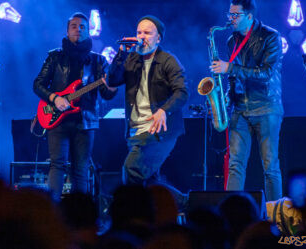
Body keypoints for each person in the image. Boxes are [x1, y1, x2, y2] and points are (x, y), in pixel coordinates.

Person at [107, 15, 189, 209]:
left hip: (160, 132)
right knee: (150, 184)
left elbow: (182, 91)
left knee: (131, 170)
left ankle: (132, 218)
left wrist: (163, 110)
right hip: (135, 131)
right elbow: (112, 80)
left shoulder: (168, 61)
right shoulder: (131, 59)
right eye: (139, 32)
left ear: (158, 38)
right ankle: (185, 203)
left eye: (147, 33)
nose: (141, 36)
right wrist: (121, 54)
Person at [33, 12, 117, 200]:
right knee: (57, 165)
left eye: (82, 27)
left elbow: (106, 94)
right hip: (57, 121)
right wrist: (54, 98)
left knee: (80, 169)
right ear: (67, 30)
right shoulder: (54, 57)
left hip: (85, 122)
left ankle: (80, 217)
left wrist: (111, 86)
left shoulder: (98, 61)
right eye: (74, 26)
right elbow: (37, 85)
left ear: (88, 31)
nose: (78, 29)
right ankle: (52, 213)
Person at [210, 0, 283, 201]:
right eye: (229, 14)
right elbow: (234, 76)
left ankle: (276, 215)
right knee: (235, 165)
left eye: (235, 15)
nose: (230, 19)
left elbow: (266, 73)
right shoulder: (232, 40)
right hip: (240, 109)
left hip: (267, 107)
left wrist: (230, 67)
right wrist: (225, 97)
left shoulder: (270, 36)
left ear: (249, 16)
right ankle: (232, 215)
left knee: (270, 166)